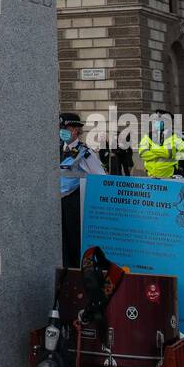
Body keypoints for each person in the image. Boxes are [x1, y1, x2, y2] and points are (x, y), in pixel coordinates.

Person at [59, 113, 105, 268]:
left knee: (74, 241)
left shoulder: (85, 152)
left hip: (74, 202)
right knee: (61, 243)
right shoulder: (57, 149)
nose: (63, 131)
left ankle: (76, 272)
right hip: (58, 203)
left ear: (76, 130)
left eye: (67, 128)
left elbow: (100, 178)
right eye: (61, 128)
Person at [138, 111, 184, 178]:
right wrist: (161, 152)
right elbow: (142, 153)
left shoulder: (175, 137)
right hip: (151, 176)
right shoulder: (148, 136)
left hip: (170, 176)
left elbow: (169, 153)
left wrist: (151, 149)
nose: (156, 122)